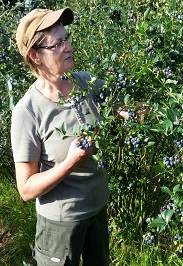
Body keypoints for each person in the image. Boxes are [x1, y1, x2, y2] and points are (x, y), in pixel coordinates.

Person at [11, 7, 123, 266]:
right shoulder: (27, 112)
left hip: (97, 208)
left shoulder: (86, 83)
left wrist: (168, 113)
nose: (68, 47)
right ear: (35, 56)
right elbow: (26, 189)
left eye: (67, 38)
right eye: (58, 43)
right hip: (61, 223)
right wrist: (71, 162)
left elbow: (125, 107)